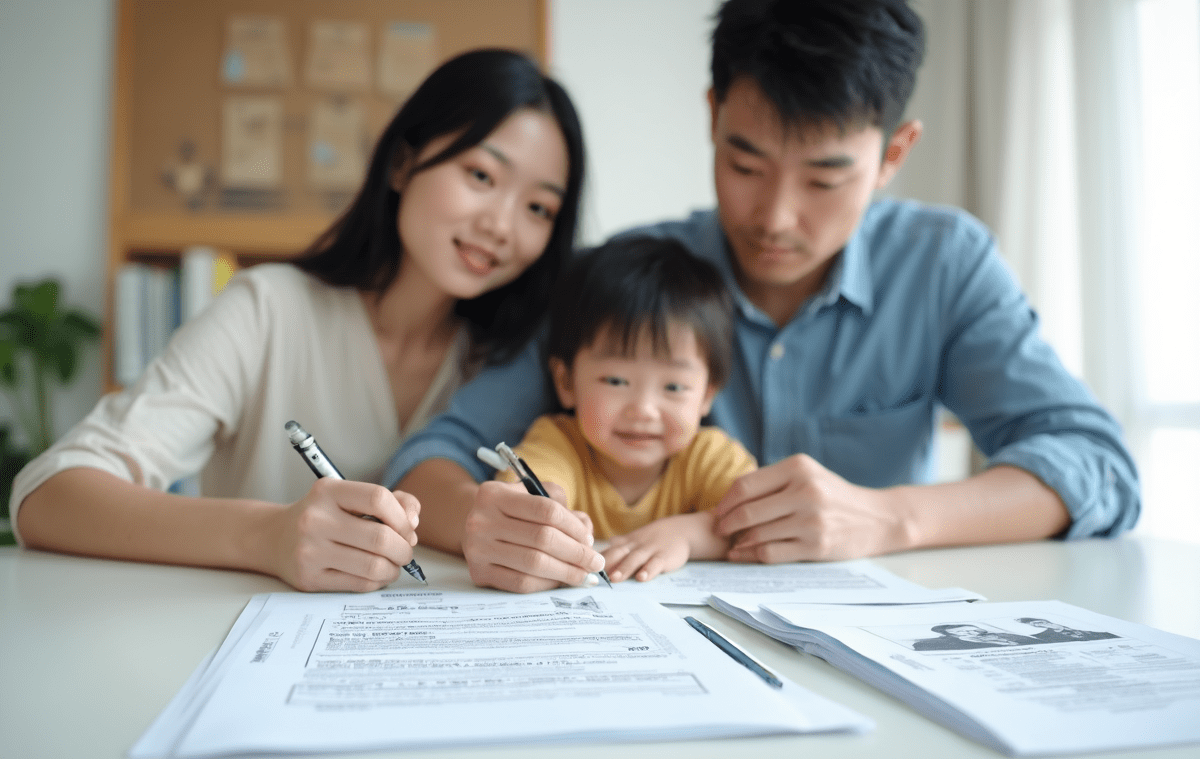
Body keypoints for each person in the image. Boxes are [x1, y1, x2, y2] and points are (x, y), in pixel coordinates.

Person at [388, 0, 1140, 594]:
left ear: (894, 155)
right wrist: (481, 522)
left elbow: (1094, 464)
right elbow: (433, 456)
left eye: (823, 179)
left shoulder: (944, 264)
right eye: (745, 163)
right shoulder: (629, 278)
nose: (776, 217)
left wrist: (889, 517)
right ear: (713, 117)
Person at [11, 49, 585, 593]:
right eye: (482, 176)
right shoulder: (269, 309)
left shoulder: (515, 363)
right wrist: (267, 536)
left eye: (539, 208)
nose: (502, 226)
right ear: (403, 163)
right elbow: (49, 497)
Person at [493, 237, 757, 583]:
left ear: (707, 395)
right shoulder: (559, 443)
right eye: (616, 381)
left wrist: (688, 535)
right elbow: (525, 491)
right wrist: (540, 509)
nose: (643, 410)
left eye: (674, 387)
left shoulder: (710, 458)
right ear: (566, 382)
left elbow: (756, 526)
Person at [912, 624, 1041, 652]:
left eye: (974, 630)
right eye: (964, 632)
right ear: (952, 635)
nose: (972, 633)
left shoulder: (1012, 636)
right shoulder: (937, 645)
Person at [1014, 618, 1119, 643]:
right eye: (1035, 625)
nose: (1038, 624)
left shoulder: (1074, 622)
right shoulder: (1049, 635)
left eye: (1038, 622)